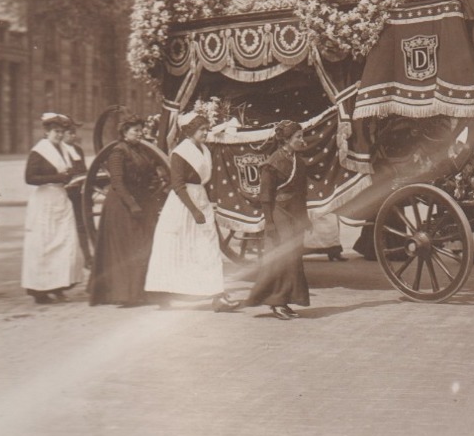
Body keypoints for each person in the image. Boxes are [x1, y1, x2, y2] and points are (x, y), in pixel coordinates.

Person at [144, 112, 241, 312]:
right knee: (179, 247)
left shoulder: (204, 149)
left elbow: (207, 179)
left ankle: (217, 295)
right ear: (190, 132)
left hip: (200, 199)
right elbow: (178, 185)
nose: (206, 133)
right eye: (202, 130)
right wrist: (194, 210)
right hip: (183, 205)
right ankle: (165, 292)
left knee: (208, 248)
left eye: (207, 129)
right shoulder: (180, 153)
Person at [88, 116, 166, 307]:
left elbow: (150, 173)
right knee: (127, 249)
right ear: (124, 133)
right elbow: (117, 182)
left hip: (140, 203)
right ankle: (124, 294)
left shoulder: (141, 150)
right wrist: (132, 204)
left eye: (140, 130)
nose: (139, 134)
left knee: (143, 245)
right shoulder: (118, 152)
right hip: (121, 206)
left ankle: (140, 291)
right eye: (135, 131)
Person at [245, 120, 311, 320]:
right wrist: (270, 223)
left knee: (294, 257)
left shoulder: (298, 160)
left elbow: (302, 192)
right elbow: (266, 196)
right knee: (283, 258)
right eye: (297, 137)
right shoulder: (273, 163)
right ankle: (276, 302)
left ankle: (286, 301)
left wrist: (306, 218)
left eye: (301, 136)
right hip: (279, 212)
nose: (302, 140)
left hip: (295, 213)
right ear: (286, 140)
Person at [22, 112, 85, 304]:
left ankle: (59, 286)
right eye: (55, 132)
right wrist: (57, 178)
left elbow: (71, 170)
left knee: (64, 242)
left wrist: (73, 177)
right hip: (45, 201)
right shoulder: (39, 151)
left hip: (61, 198)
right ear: (47, 132)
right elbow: (30, 178)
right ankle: (39, 289)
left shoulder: (64, 150)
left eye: (61, 132)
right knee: (44, 244)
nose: (58, 135)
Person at [61, 122, 93, 268]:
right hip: (66, 193)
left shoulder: (78, 150)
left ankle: (87, 257)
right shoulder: (60, 151)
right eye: (70, 133)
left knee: (82, 225)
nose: (73, 136)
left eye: (74, 133)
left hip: (78, 193)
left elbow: (83, 169)